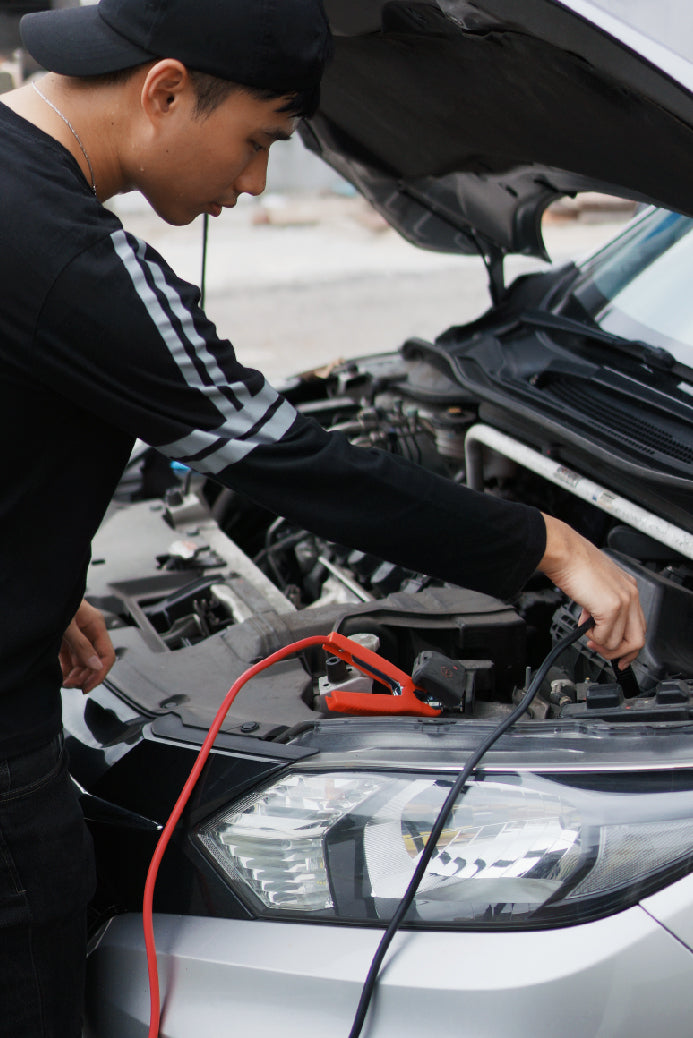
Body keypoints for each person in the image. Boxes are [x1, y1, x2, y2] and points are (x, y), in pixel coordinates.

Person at [0, 0, 644, 1033]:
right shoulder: (72, 257)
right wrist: (545, 544)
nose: (253, 186)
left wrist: (31, 575)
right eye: (258, 141)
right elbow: (279, 453)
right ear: (165, 90)